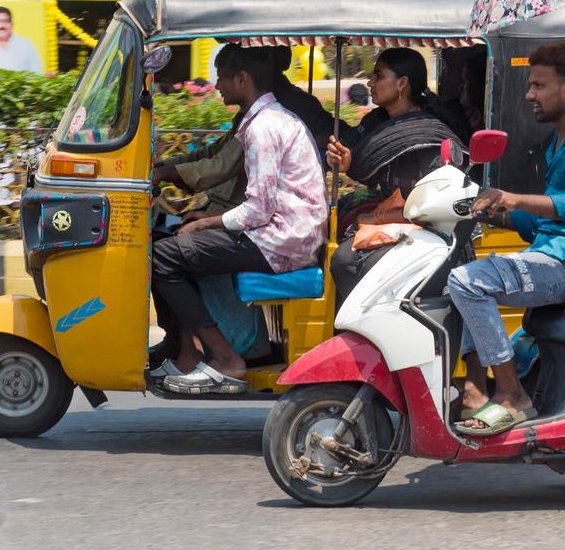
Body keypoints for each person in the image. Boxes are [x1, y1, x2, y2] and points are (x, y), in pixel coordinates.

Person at [448, 43, 565, 436]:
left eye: (538, 85)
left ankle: (513, 395)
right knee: (461, 272)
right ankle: (475, 391)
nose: (528, 94)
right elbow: (546, 226)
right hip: (554, 254)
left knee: (469, 282)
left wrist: (515, 198)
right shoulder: (560, 142)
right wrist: (503, 215)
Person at [152, 44, 327, 394]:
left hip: (284, 240)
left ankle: (225, 359)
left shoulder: (264, 128)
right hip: (283, 231)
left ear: (242, 79)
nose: (216, 85)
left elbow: (258, 209)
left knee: (163, 257)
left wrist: (206, 223)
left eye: (221, 78)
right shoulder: (262, 119)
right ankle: (185, 352)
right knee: (176, 245)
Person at [326, 48, 467, 308]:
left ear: (402, 84)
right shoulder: (378, 120)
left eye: (379, 76)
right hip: (394, 221)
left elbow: (432, 209)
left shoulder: (428, 134)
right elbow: (352, 148)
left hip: (429, 235)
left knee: (345, 260)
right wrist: (341, 158)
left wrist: (374, 219)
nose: (370, 82)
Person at [0, 7, 43, 73]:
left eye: (6, 21)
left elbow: (37, 74)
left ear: (12, 25)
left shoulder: (27, 46)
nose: (1, 26)